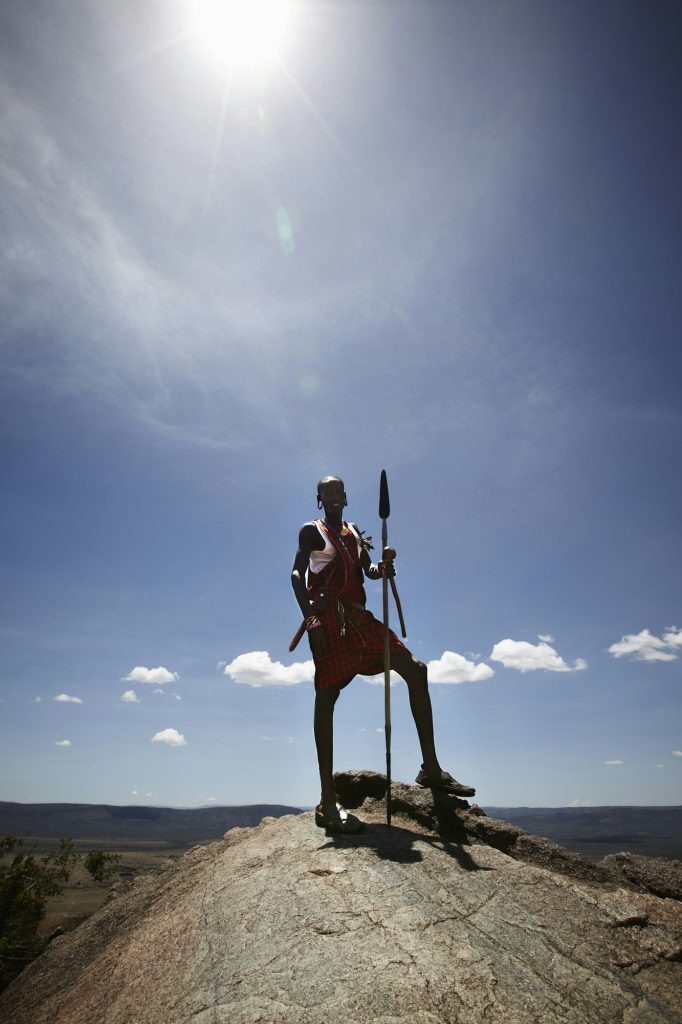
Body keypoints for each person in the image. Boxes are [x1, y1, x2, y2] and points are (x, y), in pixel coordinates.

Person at [291, 475, 475, 833]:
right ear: (318, 499)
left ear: (345, 496)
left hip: (360, 619)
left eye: (338, 491)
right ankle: (327, 801)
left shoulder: (354, 531)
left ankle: (431, 770)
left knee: (416, 670)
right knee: (326, 697)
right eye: (326, 493)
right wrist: (312, 623)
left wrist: (384, 567)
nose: (333, 497)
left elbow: (367, 572)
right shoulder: (311, 532)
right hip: (329, 620)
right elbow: (297, 576)